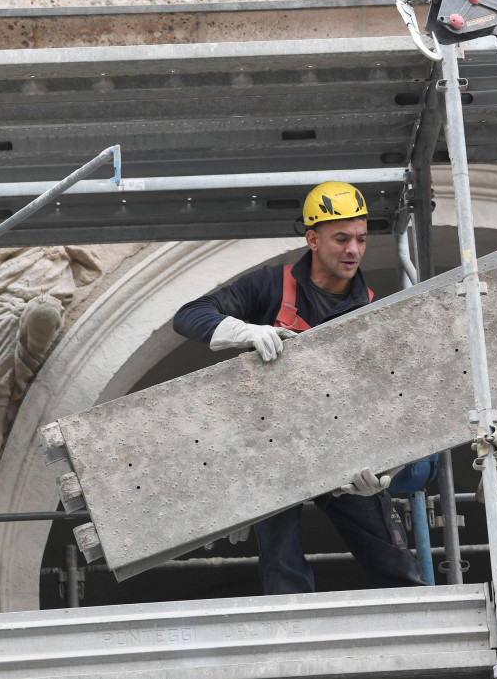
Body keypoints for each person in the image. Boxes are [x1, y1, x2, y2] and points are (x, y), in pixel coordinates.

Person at [172, 180, 432, 595]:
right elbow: (189, 315)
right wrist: (245, 332)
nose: (353, 250)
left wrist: (388, 468)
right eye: (341, 238)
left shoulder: (374, 311)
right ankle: (293, 630)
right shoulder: (271, 287)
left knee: (396, 567)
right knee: (281, 562)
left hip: (345, 449)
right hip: (273, 446)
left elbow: (396, 401)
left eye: (361, 240)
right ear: (313, 239)